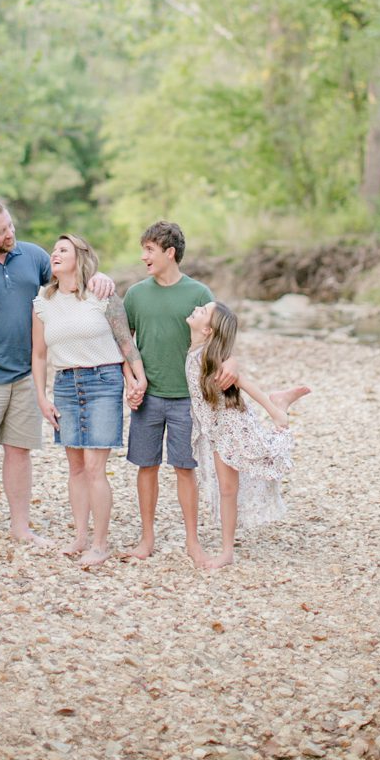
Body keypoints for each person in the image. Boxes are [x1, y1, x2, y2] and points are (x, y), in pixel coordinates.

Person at [0, 197, 114, 547]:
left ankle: (20, 527)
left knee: (19, 450)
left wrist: (98, 276)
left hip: (25, 373)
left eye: (11, 225)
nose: (10, 234)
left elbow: (71, 277)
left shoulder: (31, 256)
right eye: (1, 231)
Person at [122, 220, 236, 568]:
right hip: (148, 397)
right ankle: (146, 538)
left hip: (188, 399)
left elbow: (219, 339)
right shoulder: (135, 295)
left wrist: (232, 362)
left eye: (150, 250)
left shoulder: (198, 294)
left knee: (185, 468)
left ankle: (192, 541)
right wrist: (131, 381)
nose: (144, 256)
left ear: (169, 252)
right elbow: (125, 345)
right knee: (146, 466)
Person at [31, 233, 147, 567]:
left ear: (79, 257)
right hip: (65, 384)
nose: (55, 253)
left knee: (95, 468)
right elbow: (39, 355)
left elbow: (125, 342)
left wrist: (138, 378)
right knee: (76, 467)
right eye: (54, 250)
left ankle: (100, 543)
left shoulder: (101, 294)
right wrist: (41, 397)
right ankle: (80, 537)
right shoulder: (42, 301)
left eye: (63, 249)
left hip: (103, 381)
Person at [185, 299, 310, 568]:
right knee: (228, 488)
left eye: (202, 311)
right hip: (217, 430)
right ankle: (227, 550)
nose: (195, 309)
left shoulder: (207, 357)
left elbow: (243, 383)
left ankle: (278, 403)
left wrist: (272, 411)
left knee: (253, 465)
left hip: (232, 427)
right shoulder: (196, 350)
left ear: (207, 330)